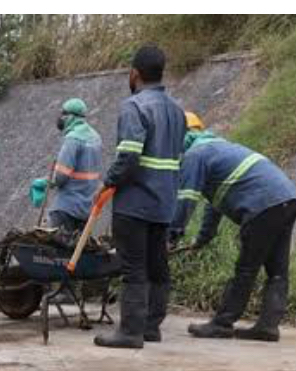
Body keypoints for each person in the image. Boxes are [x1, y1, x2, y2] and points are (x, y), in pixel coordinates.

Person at [172, 117, 296, 342]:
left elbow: (187, 198)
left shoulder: (195, 155)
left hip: (262, 204)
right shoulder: (220, 148)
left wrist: (172, 233)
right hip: (288, 199)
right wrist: (204, 237)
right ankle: (268, 327)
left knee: (246, 268)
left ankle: (222, 324)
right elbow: (215, 203)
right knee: (277, 271)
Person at [94, 45, 185, 349]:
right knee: (158, 267)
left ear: (134, 73)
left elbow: (129, 156)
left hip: (134, 204)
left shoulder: (134, 106)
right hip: (164, 203)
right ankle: (150, 328)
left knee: (134, 268)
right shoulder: (177, 110)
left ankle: (130, 333)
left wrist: (108, 182)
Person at [30, 98, 102, 234]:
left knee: (56, 245)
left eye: (63, 114)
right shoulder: (96, 138)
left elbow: (61, 177)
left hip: (67, 207)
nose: (60, 117)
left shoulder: (73, 139)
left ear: (71, 116)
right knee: (78, 245)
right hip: (87, 208)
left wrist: (44, 183)